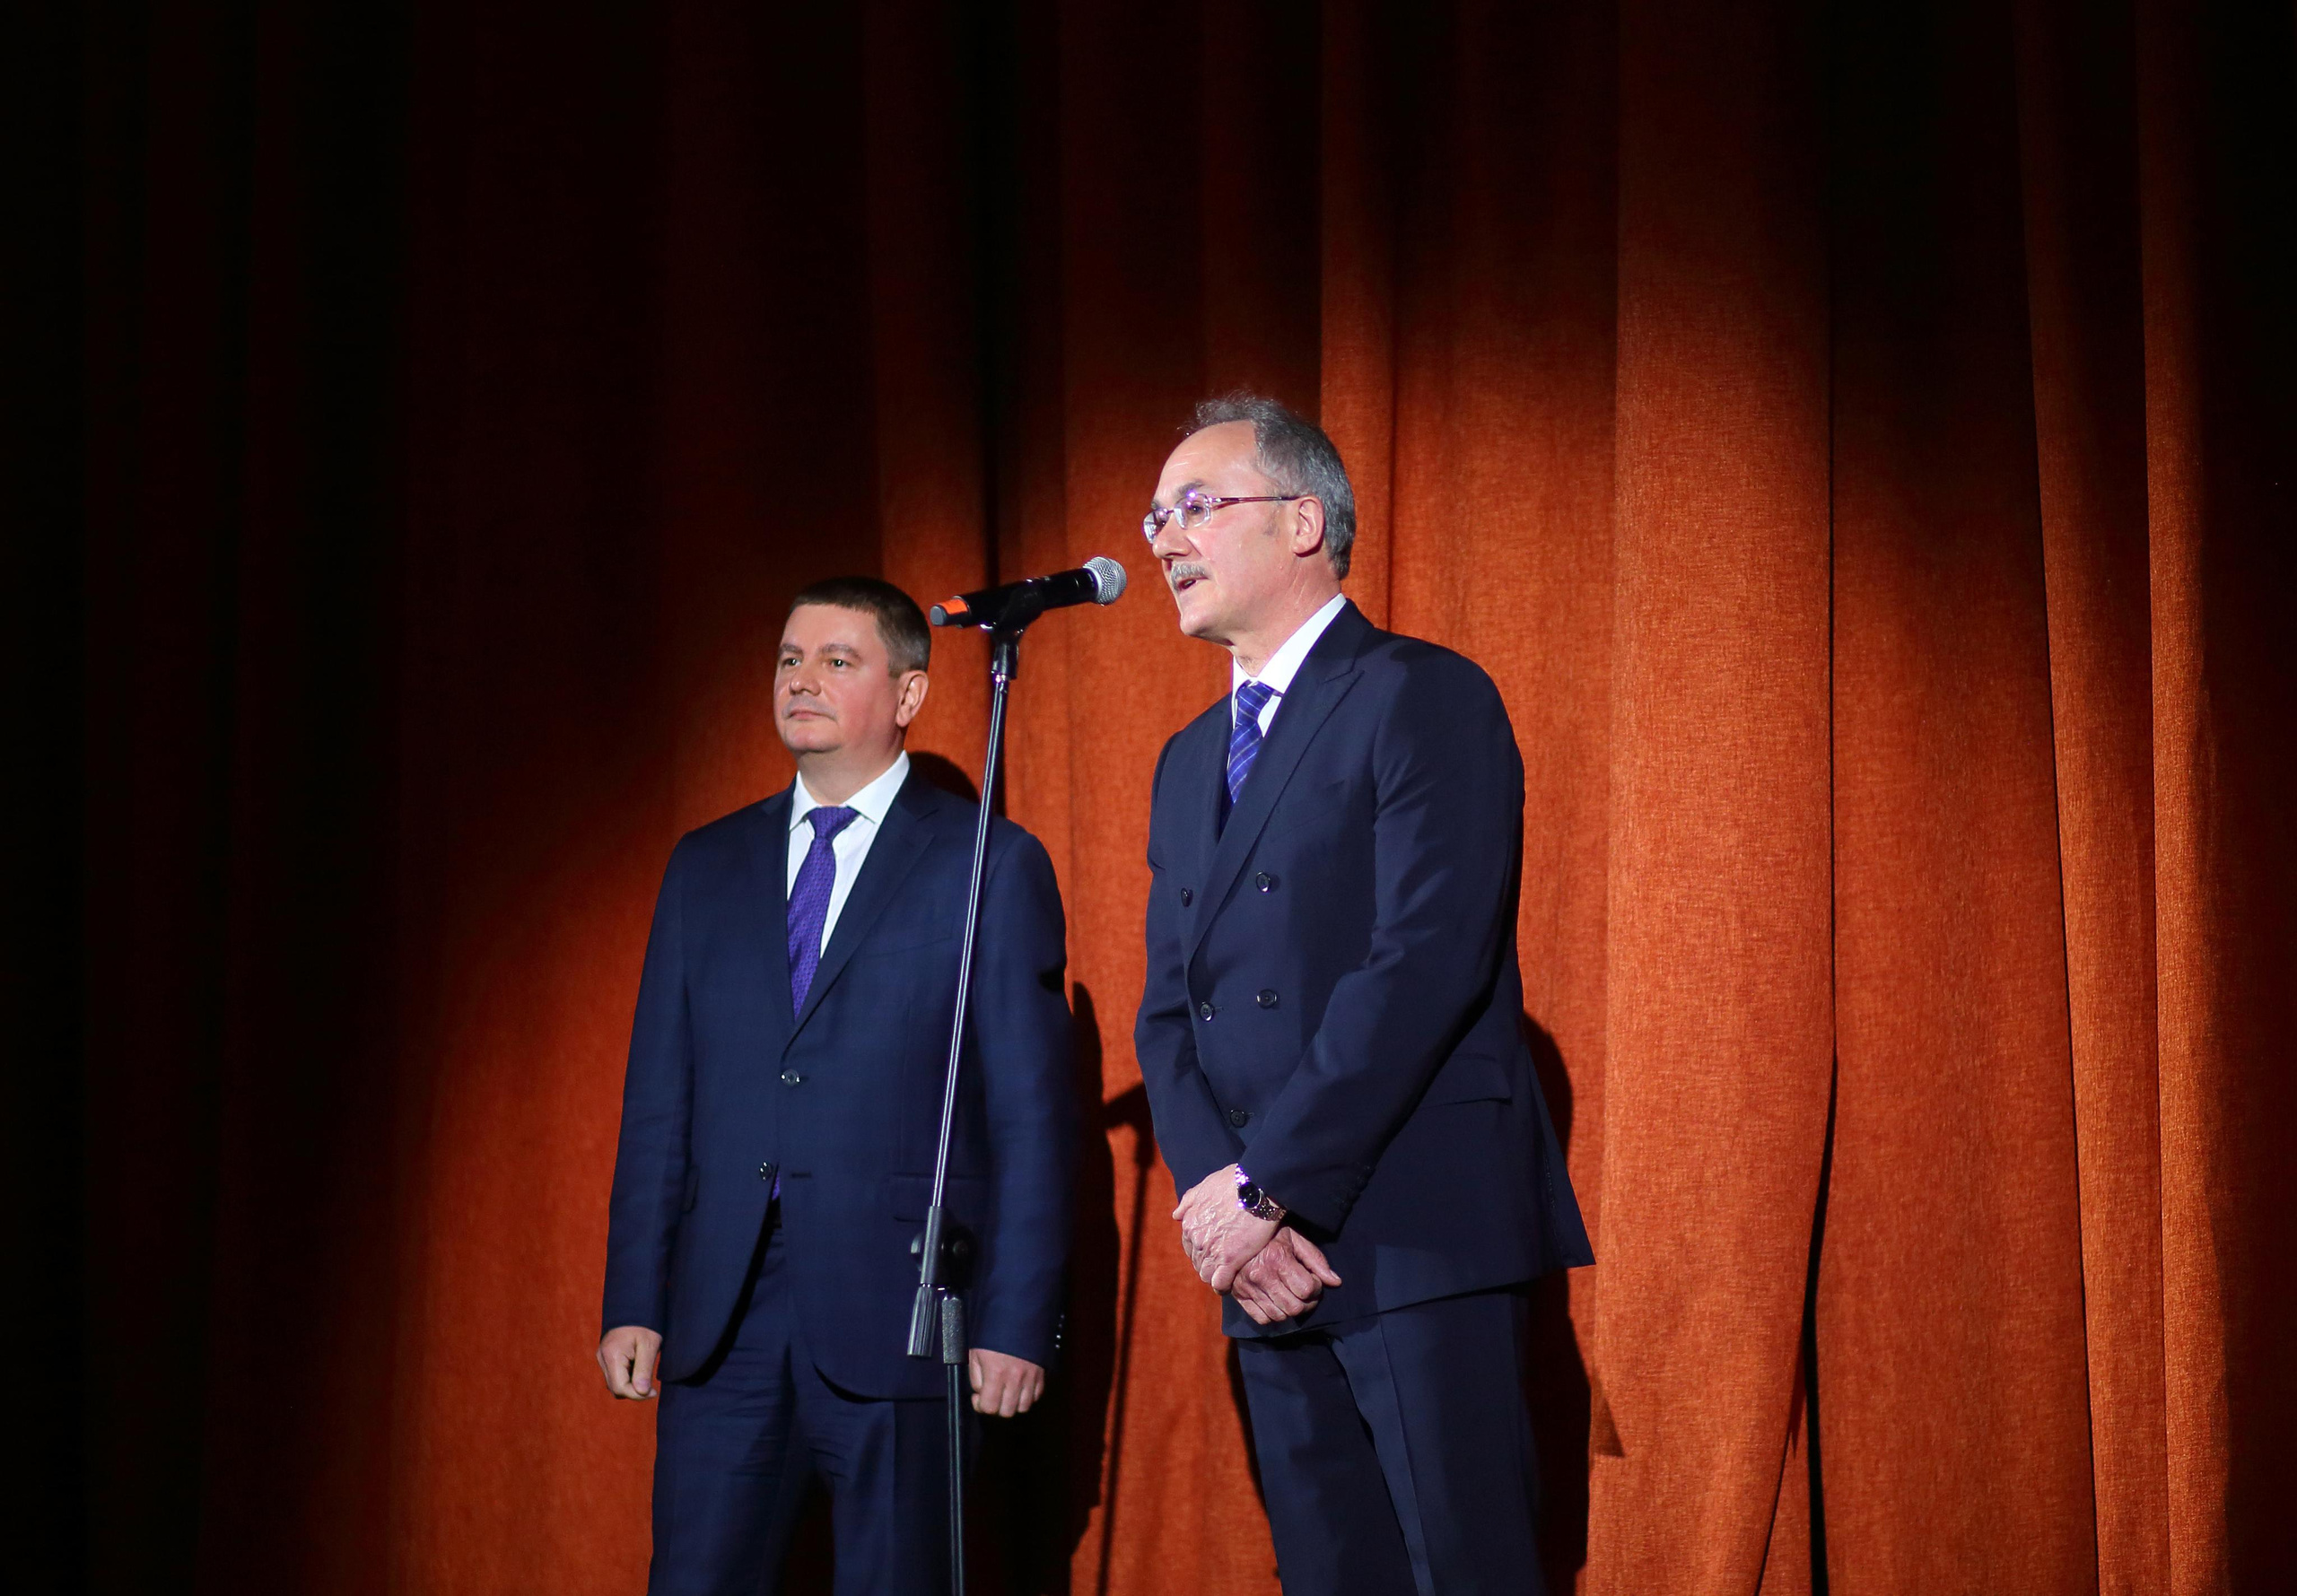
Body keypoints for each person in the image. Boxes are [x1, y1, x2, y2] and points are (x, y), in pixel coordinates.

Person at [1134, 395, 1594, 1595]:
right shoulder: (1188, 760)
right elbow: (1170, 1012)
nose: (1161, 538)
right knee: (1329, 1570)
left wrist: (1274, 1182)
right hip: (1260, 1258)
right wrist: (1219, 1206)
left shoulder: (1421, 693)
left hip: (1409, 1232)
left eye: (1194, 504)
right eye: (1153, 514)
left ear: (1302, 520)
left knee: (1466, 1566)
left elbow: (1425, 958)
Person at [598, 577, 1076, 1595]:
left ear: (908, 695)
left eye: (836, 660)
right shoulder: (705, 865)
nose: (801, 680)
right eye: (787, 659)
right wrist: (635, 1296)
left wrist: (1014, 1319)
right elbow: (658, 1103)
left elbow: (1035, 1117)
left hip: (900, 1310)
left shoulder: (986, 861)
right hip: (721, 1320)